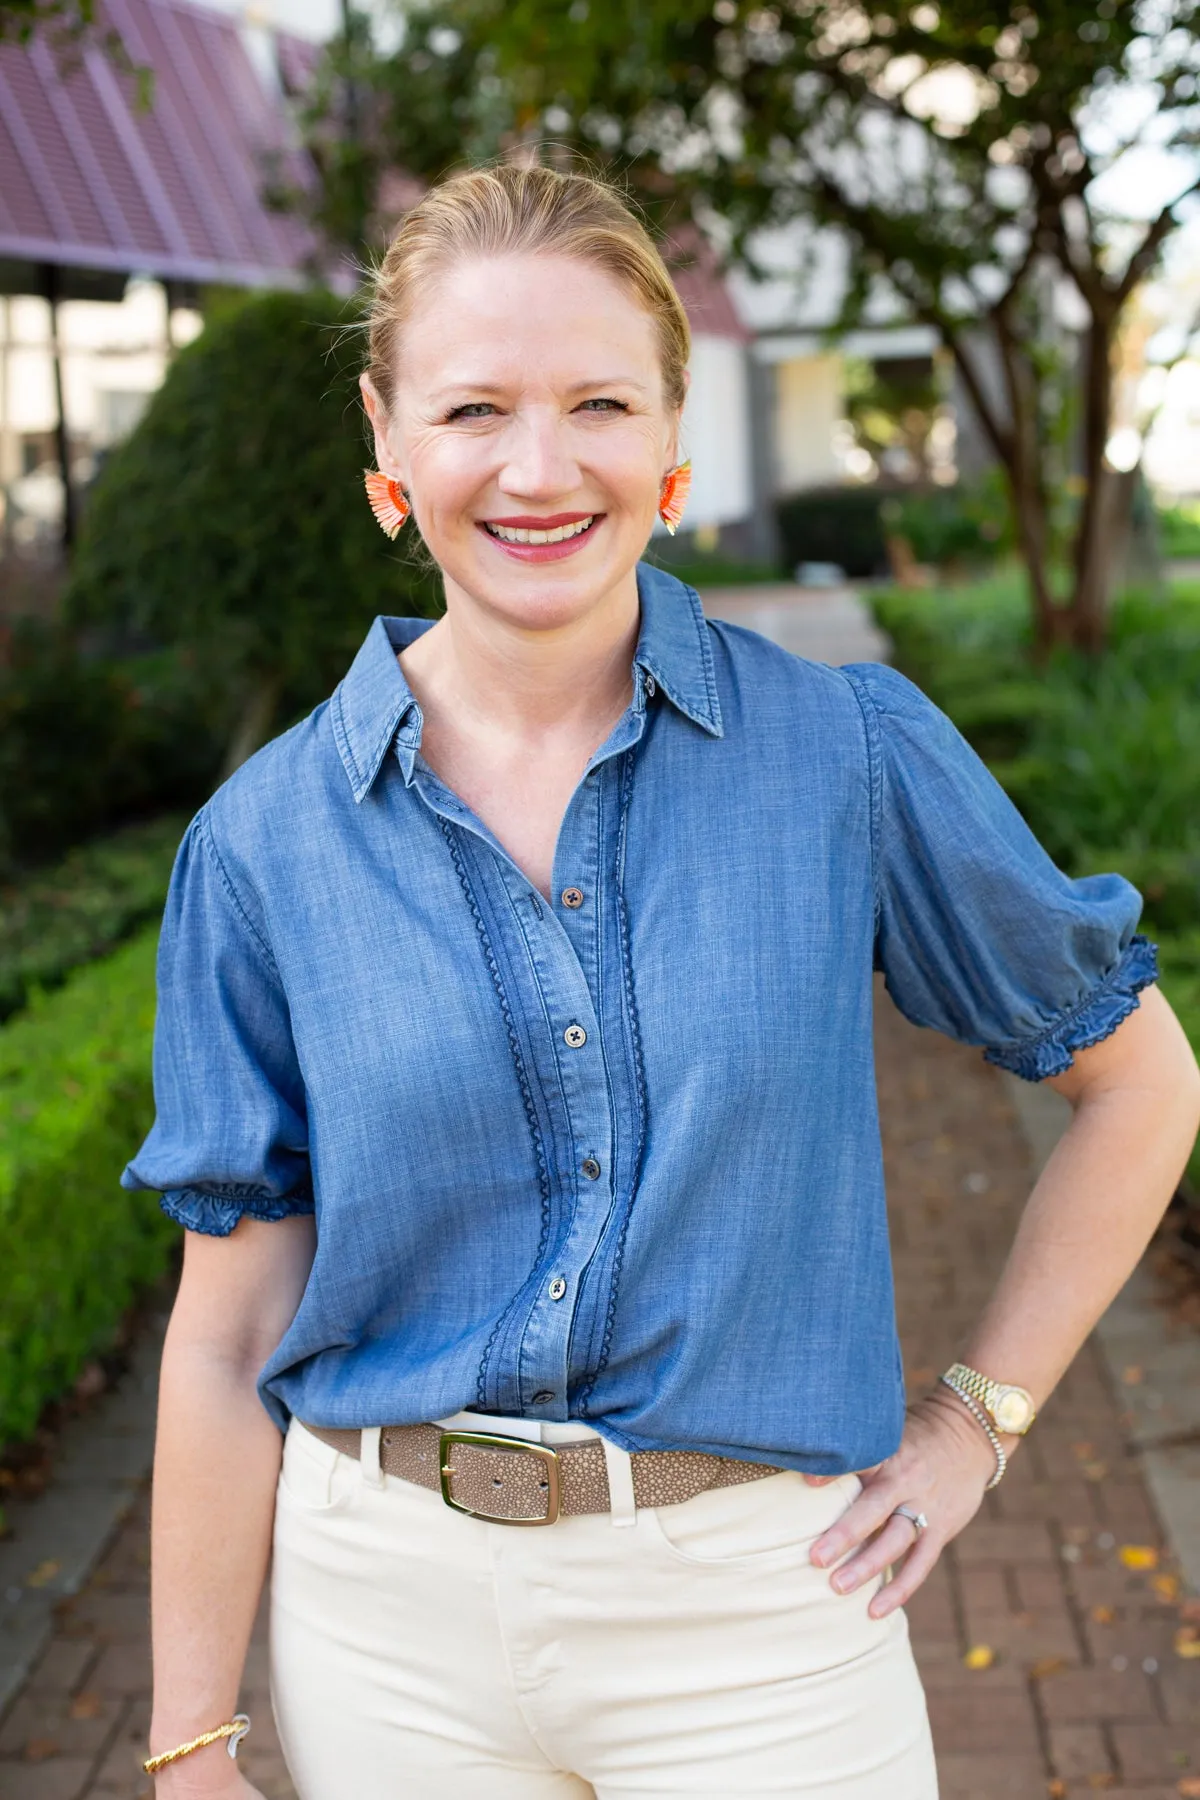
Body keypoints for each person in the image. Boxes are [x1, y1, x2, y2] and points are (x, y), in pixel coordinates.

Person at [127, 163, 1200, 1800]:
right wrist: (190, 1742)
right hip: (385, 1639)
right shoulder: (264, 844)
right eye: (474, 408)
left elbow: (1138, 1082)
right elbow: (228, 1333)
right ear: (388, 443)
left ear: (672, 439)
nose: (539, 468)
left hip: (761, 1616)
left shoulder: (844, 751)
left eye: (600, 404)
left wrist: (977, 1423)